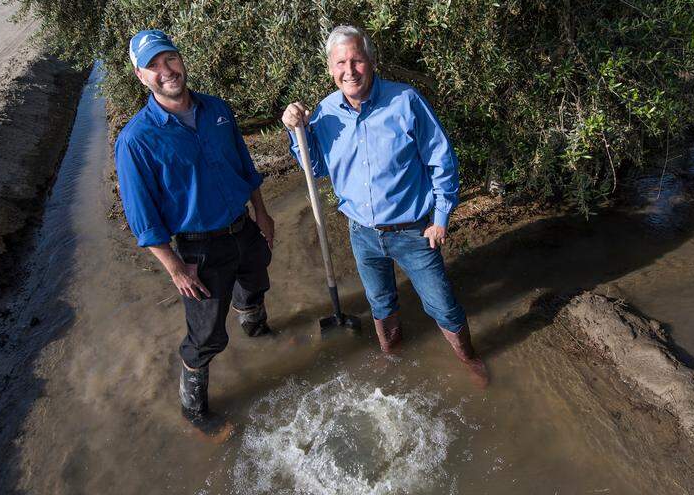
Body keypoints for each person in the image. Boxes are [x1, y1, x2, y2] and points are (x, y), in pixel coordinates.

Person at [281, 25, 488, 385]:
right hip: (362, 233)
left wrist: (440, 217)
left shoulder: (405, 101)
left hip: (414, 230)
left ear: (371, 62)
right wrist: (296, 132)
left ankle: (469, 359)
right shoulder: (325, 113)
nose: (350, 70)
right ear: (331, 69)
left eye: (357, 60)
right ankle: (393, 359)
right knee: (380, 304)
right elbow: (316, 167)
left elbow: (441, 159)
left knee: (442, 305)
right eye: (341, 62)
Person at [115, 29, 276, 430]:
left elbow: (244, 165)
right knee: (205, 338)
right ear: (140, 77)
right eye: (152, 66)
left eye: (168, 58)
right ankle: (195, 412)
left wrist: (262, 213)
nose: (165, 71)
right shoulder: (136, 140)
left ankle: (258, 334)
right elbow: (142, 216)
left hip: (244, 229)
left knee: (255, 285)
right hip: (199, 251)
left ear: (181, 59)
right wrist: (175, 268)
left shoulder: (217, 109)